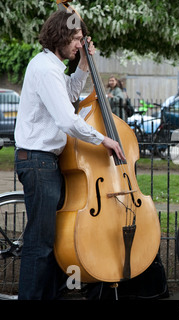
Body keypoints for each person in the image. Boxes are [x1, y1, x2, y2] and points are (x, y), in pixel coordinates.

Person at [14, 9, 125, 300]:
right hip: (38, 161)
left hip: (46, 162)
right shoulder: (46, 69)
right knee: (40, 244)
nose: (79, 44)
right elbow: (66, 119)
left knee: (51, 243)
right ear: (60, 36)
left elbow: (71, 95)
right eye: (76, 38)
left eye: (80, 39)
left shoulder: (53, 68)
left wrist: (84, 66)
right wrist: (104, 140)